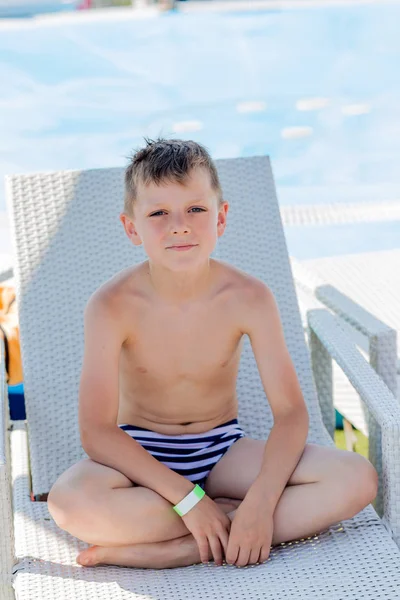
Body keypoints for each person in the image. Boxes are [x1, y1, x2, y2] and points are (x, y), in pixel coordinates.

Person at [47, 138, 378, 570]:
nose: (179, 225)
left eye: (196, 210)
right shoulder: (110, 305)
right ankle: (224, 524)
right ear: (132, 228)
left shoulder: (249, 297)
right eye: (158, 213)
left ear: (220, 218)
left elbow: (292, 413)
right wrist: (188, 499)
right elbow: (97, 431)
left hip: (223, 450)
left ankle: (184, 548)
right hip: (141, 458)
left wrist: (260, 500)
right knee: (69, 504)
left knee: (356, 478)